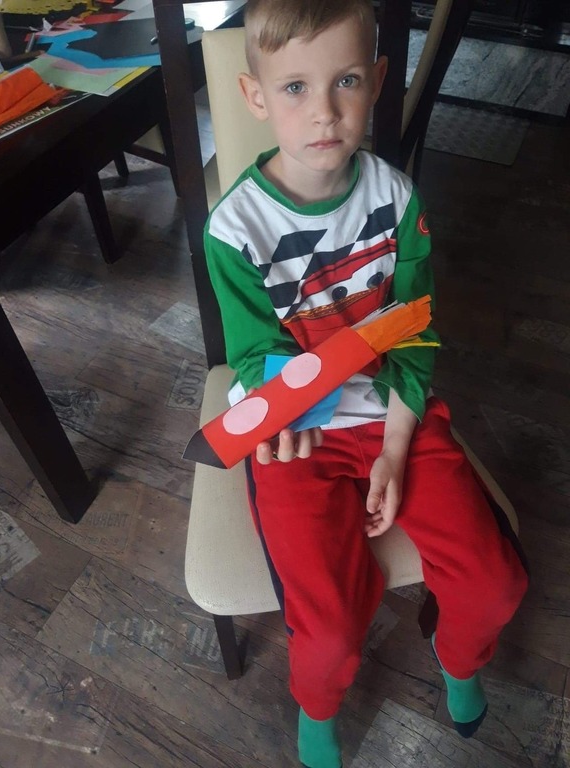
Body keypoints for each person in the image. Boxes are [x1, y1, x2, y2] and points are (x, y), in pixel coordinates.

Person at [203, 1, 529, 765]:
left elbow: (415, 329)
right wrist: (283, 413)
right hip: (297, 429)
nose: (324, 112)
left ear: (378, 81)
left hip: (394, 411)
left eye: (345, 80)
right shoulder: (233, 229)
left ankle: (459, 659)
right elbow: (253, 354)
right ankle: (317, 712)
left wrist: (394, 447)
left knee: (494, 582)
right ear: (256, 96)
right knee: (329, 626)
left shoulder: (398, 200)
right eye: (295, 88)